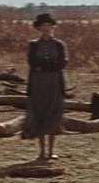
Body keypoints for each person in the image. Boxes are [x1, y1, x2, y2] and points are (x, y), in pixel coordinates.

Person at [22, 13, 68, 160]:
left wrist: (45, 67)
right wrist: (46, 66)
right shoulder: (34, 45)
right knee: (39, 113)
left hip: (54, 83)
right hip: (38, 83)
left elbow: (62, 63)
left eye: (49, 25)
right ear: (39, 28)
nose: (46, 28)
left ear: (52, 27)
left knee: (54, 113)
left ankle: (51, 150)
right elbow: (32, 63)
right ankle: (42, 151)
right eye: (43, 26)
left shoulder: (59, 44)